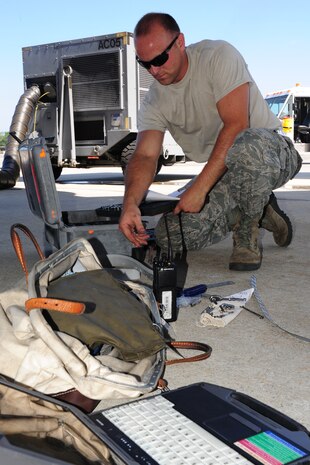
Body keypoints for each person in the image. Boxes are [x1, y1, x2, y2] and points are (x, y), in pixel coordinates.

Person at [119, 12, 302, 271]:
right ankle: (262, 208)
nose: (154, 70)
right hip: (224, 169)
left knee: (246, 146)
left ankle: (247, 232)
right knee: (169, 234)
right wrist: (130, 205)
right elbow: (145, 156)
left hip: (269, 152)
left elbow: (237, 125)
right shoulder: (155, 99)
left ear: (180, 42)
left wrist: (201, 189)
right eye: (145, 64)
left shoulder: (218, 56)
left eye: (159, 59)